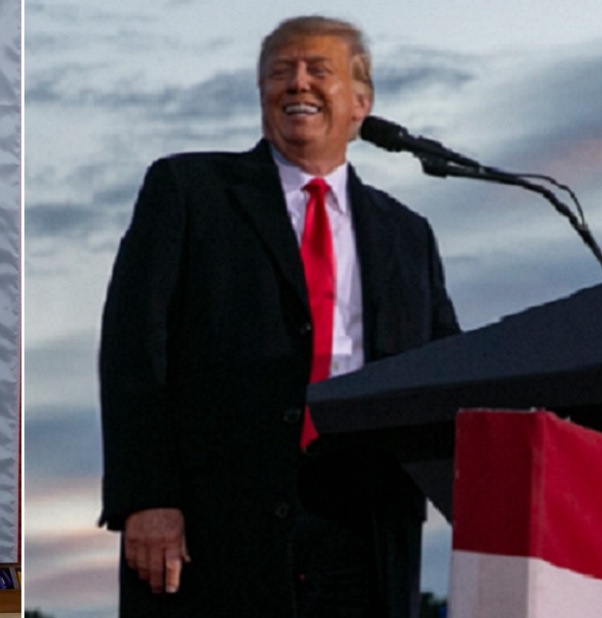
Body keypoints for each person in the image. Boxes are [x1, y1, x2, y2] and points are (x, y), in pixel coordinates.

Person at [98, 15, 460, 617]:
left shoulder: (407, 234)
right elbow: (134, 350)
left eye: (318, 70)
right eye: (279, 72)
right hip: (215, 529)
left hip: (365, 527)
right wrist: (146, 498)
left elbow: (445, 370)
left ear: (361, 103)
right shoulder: (190, 191)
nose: (296, 84)